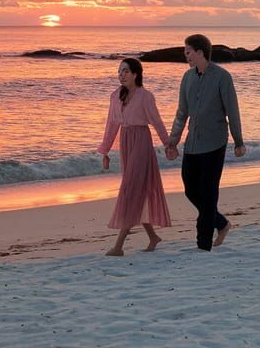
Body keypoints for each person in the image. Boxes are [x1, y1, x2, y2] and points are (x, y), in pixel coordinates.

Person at [164, 33, 246, 250]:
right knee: (191, 190)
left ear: (200, 52)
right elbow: (182, 113)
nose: (186, 55)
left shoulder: (222, 77)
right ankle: (221, 223)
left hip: (215, 143)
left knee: (208, 193)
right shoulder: (187, 77)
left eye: (188, 51)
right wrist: (173, 141)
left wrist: (239, 141)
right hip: (192, 144)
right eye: (185, 52)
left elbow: (232, 111)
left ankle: (203, 245)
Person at [97, 57, 172, 255]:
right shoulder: (115, 96)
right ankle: (153, 237)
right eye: (119, 71)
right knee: (136, 191)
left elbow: (157, 122)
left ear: (136, 74)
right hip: (126, 141)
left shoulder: (145, 96)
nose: (121, 75)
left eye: (126, 71)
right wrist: (105, 151)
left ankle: (118, 246)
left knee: (130, 190)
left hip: (141, 141)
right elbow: (111, 125)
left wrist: (168, 144)